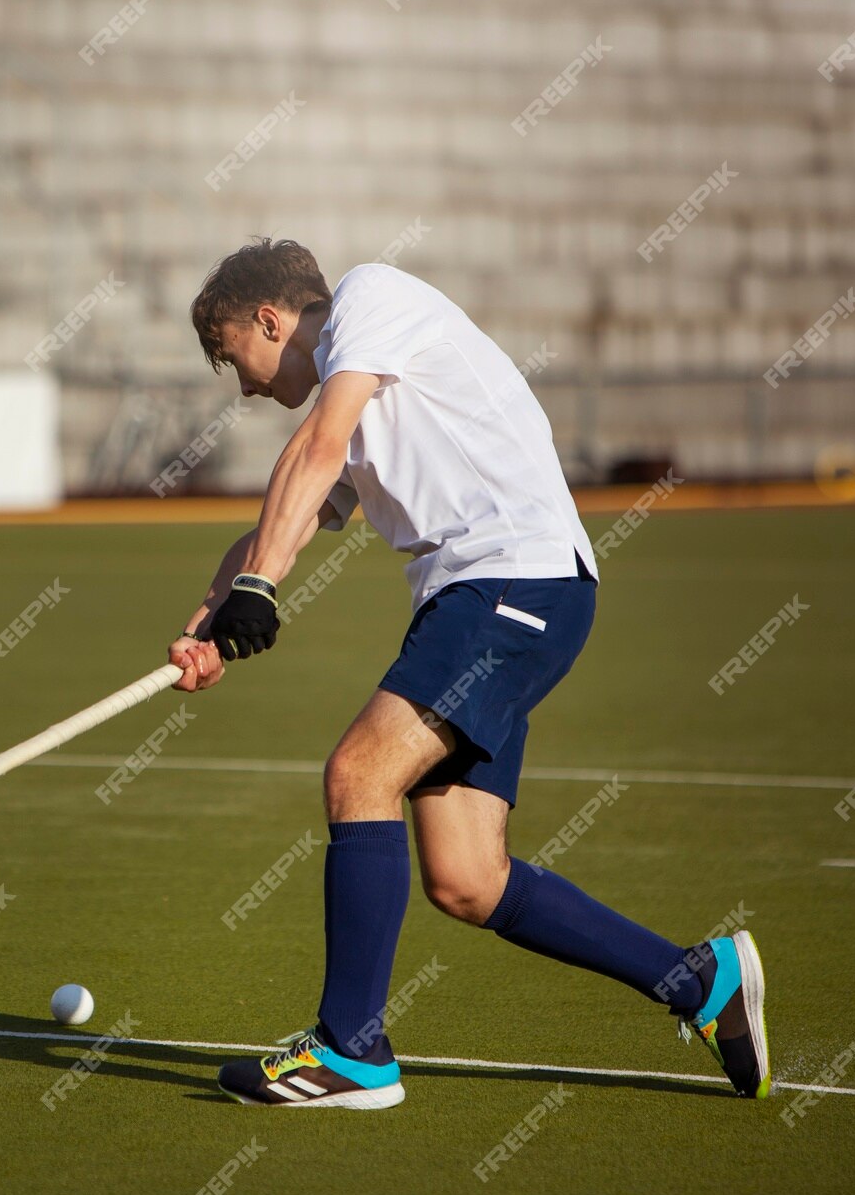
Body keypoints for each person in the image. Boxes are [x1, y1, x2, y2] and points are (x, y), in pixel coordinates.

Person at [171, 239, 768, 1108]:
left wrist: (258, 588)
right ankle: (697, 980)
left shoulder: (367, 302)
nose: (246, 386)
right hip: (501, 597)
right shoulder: (367, 386)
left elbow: (314, 447)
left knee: (357, 772)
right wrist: (212, 617)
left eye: (238, 358)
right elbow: (299, 509)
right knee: (466, 876)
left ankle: (351, 1050)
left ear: (272, 319)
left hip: (509, 584)